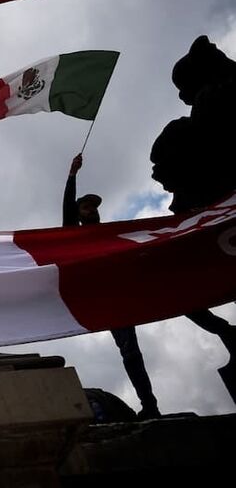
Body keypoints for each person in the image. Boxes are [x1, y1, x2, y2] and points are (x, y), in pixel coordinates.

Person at [64, 153, 161, 419]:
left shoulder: (111, 233)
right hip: (104, 297)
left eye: (94, 207)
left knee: (133, 350)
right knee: (129, 349)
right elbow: (67, 214)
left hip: (123, 292)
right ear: (78, 214)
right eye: (85, 207)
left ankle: (150, 405)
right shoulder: (74, 237)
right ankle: (149, 405)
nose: (92, 210)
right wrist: (72, 175)